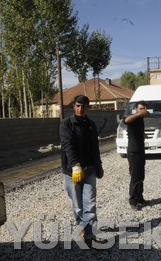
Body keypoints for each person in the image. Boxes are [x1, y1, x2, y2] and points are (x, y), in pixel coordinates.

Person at [60, 95, 107, 248]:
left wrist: (98, 167)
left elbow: (95, 148)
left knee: (90, 203)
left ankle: (90, 234)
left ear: (88, 107)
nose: (81, 109)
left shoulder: (91, 125)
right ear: (74, 106)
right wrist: (75, 165)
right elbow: (68, 145)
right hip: (72, 171)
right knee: (78, 205)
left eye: (84, 106)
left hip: (90, 170)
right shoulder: (66, 124)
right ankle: (82, 228)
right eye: (78, 106)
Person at [123, 101, 150, 210]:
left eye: (144, 108)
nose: (143, 110)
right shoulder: (133, 118)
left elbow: (137, 131)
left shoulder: (140, 119)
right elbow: (126, 120)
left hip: (140, 151)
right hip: (133, 152)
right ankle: (133, 201)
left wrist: (143, 135)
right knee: (135, 177)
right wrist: (138, 114)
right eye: (141, 108)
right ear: (136, 109)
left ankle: (140, 198)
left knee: (141, 176)